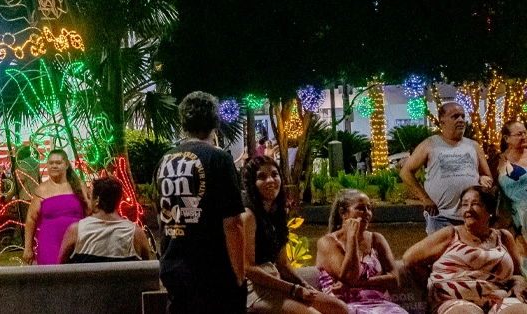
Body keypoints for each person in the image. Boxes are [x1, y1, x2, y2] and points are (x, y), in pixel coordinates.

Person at [158, 91, 248, 314]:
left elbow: (162, 219)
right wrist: (240, 276)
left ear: (183, 123)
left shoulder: (164, 160)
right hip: (212, 274)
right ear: (214, 122)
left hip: (174, 270)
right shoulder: (219, 159)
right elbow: (233, 223)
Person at [241, 156, 347, 314]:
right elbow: (248, 269)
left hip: (278, 282)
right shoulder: (248, 215)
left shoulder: (277, 214)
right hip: (255, 290)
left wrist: (305, 286)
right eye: (261, 177)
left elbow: (282, 264)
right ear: (252, 183)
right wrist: (293, 290)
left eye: (274, 174)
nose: (270, 180)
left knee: (339, 308)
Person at [404, 186, 527, 314]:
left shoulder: (504, 237)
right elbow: (409, 259)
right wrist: (434, 283)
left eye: (475, 204)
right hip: (454, 301)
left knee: (521, 311)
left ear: (489, 210)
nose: (468, 209)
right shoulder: (450, 234)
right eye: (464, 205)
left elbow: (517, 273)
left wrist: (518, 284)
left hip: (498, 298)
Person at [400, 102, 493, 233]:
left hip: (471, 216)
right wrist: (425, 198)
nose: (461, 120)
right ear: (442, 121)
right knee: (442, 254)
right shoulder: (430, 144)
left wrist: (484, 178)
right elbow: (405, 172)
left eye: (462, 116)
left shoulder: (473, 145)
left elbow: (487, 176)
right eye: (455, 116)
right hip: (441, 217)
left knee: (470, 253)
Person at [316, 189, 408, 314]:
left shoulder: (376, 239)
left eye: (369, 208)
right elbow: (349, 276)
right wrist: (352, 237)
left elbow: (394, 280)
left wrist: (359, 283)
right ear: (344, 213)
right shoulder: (328, 242)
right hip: (344, 306)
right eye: (361, 208)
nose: (367, 213)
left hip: (380, 304)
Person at [59, 176, 151, 263]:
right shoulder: (136, 233)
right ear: (118, 200)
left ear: (97, 200)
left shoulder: (76, 231)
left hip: (88, 280)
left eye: (90, 197)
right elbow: (147, 268)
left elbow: (61, 266)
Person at [21, 149, 88, 265]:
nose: (54, 166)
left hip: (78, 243)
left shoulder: (79, 185)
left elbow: (90, 211)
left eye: (58, 163)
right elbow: (31, 219)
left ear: (66, 165)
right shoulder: (41, 189)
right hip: (50, 243)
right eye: (51, 163)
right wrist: (28, 248)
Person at [498, 121, 527, 251]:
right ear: (507, 139)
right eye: (519, 134)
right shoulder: (498, 161)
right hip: (514, 221)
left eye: (525, 133)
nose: (524, 137)